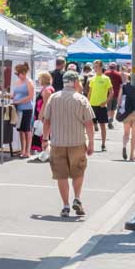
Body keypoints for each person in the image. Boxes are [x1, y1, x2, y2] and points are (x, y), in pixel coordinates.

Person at [41, 69, 96, 217]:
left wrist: (45, 139)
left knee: (61, 175)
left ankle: (65, 205)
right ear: (76, 82)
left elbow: (46, 121)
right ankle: (77, 198)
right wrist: (91, 143)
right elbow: (89, 123)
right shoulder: (81, 99)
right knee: (78, 171)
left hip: (57, 142)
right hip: (77, 142)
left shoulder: (53, 98)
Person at [9, 63, 36, 158]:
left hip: (26, 108)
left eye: (18, 74)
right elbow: (14, 94)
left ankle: (27, 151)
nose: (17, 76)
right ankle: (23, 150)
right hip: (18, 109)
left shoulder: (29, 82)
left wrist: (19, 101)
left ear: (23, 72)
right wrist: (7, 95)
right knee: (20, 130)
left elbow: (30, 96)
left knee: (27, 130)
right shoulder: (18, 82)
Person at [86, 60, 112, 152]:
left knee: (103, 126)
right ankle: (90, 143)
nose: (95, 68)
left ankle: (103, 144)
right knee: (90, 126)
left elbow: (111, 93)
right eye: (94, 66)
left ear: (101, 67)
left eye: (97, 66)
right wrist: (87, 103)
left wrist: (105, 102)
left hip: (101, 106)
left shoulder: (106, 79)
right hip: (92, 105)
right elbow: (90, 92)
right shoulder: (92, 79)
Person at [117, 71, 135, 161]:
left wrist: (120, 109)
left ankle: (124, 146)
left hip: (126, 112)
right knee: (134, 135)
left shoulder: (124, 86)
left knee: (126, 133)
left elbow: (119, 100)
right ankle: (132, 155)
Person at [34, 71, 55, 153]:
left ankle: (45, 152)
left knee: (43, 133)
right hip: (43, 113)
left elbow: (45, 104)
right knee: (43, 132)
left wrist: (40, 115)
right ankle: (45, 152)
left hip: (43, 114)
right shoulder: (48, 88)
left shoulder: (47, 90)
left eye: (39, 79)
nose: (38, 80)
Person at [105, 62, 123, 129]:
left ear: (109, 67)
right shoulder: (118, 74)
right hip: (115, 93)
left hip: (107, 93)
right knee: (113, 108)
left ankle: (109, 118)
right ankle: (111, 120)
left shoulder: (106, 73)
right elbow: (121, 84)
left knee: (108, 108)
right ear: (115, 67)